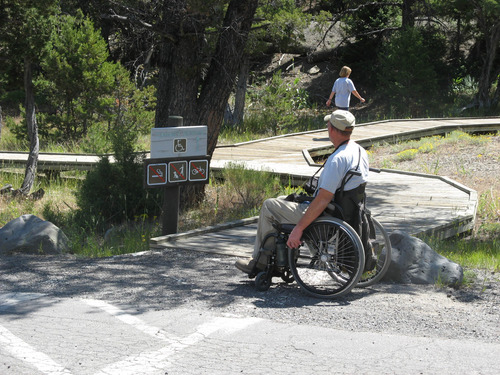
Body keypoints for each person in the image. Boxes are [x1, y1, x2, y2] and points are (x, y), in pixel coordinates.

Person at [235, 110, 370, 275]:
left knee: (269, 206)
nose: (327, 127)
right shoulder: (359, 151)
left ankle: (260, 262)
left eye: (328, 125)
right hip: (345, 210)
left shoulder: (338, 159)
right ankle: (279, 259)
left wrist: (298, 228)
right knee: (281, 199)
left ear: (333, 130)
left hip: (327, 215)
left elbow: (322, 200)